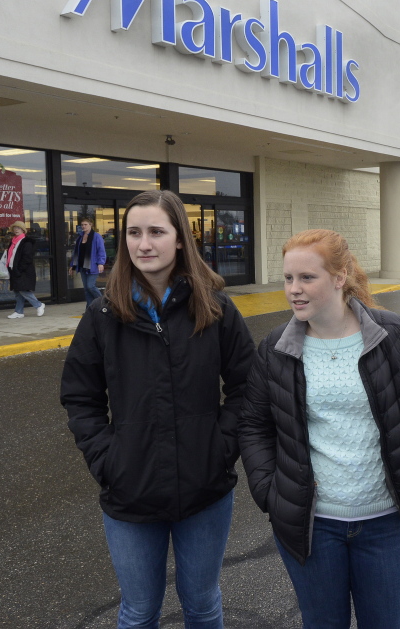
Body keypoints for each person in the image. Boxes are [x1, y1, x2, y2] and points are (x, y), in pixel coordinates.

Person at [60, 190, 256, 628]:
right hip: (130, 491)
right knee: (138, 611)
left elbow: (248, 386)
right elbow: (80, 396)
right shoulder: (103, 314)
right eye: (133, 232)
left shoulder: (217, 309)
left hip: (206, 489)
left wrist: (222, 446)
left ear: (180, 239)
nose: (143, 243)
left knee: (203, 605)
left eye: (156, 232)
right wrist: (108, 460)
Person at [238, 229, 400, 629]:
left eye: (307, 278)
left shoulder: (395, 335)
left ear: (339, 277)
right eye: (288, 279)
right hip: (313, 525)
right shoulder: (275, 349)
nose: (294, 290)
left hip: (385, 521)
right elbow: (254, 424)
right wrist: (269, 490)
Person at [5, 220, 45, 318]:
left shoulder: (26, 242)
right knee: (17, 291)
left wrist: (19, 269)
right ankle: (19, 311)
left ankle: (38, 305)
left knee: (23, 290)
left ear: (23, 230)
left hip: (23, 271)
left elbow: (27, 258)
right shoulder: (13, 241)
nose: (16, 230)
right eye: (15, 228)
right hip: (14, 269)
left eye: (18, 228)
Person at [69, 215, 107, 304]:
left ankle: (104, 303)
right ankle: (89, 309)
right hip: (82, 266)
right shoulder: (80, 237)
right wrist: (72, 266)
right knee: (86, 289)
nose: (83, 226)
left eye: (85, 224)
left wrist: (101, 263)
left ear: (91, 225)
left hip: (92, 266)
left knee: (90, 286)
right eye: (82, 225)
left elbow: (101, 250)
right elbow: (76, 253)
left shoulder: (96, 236)